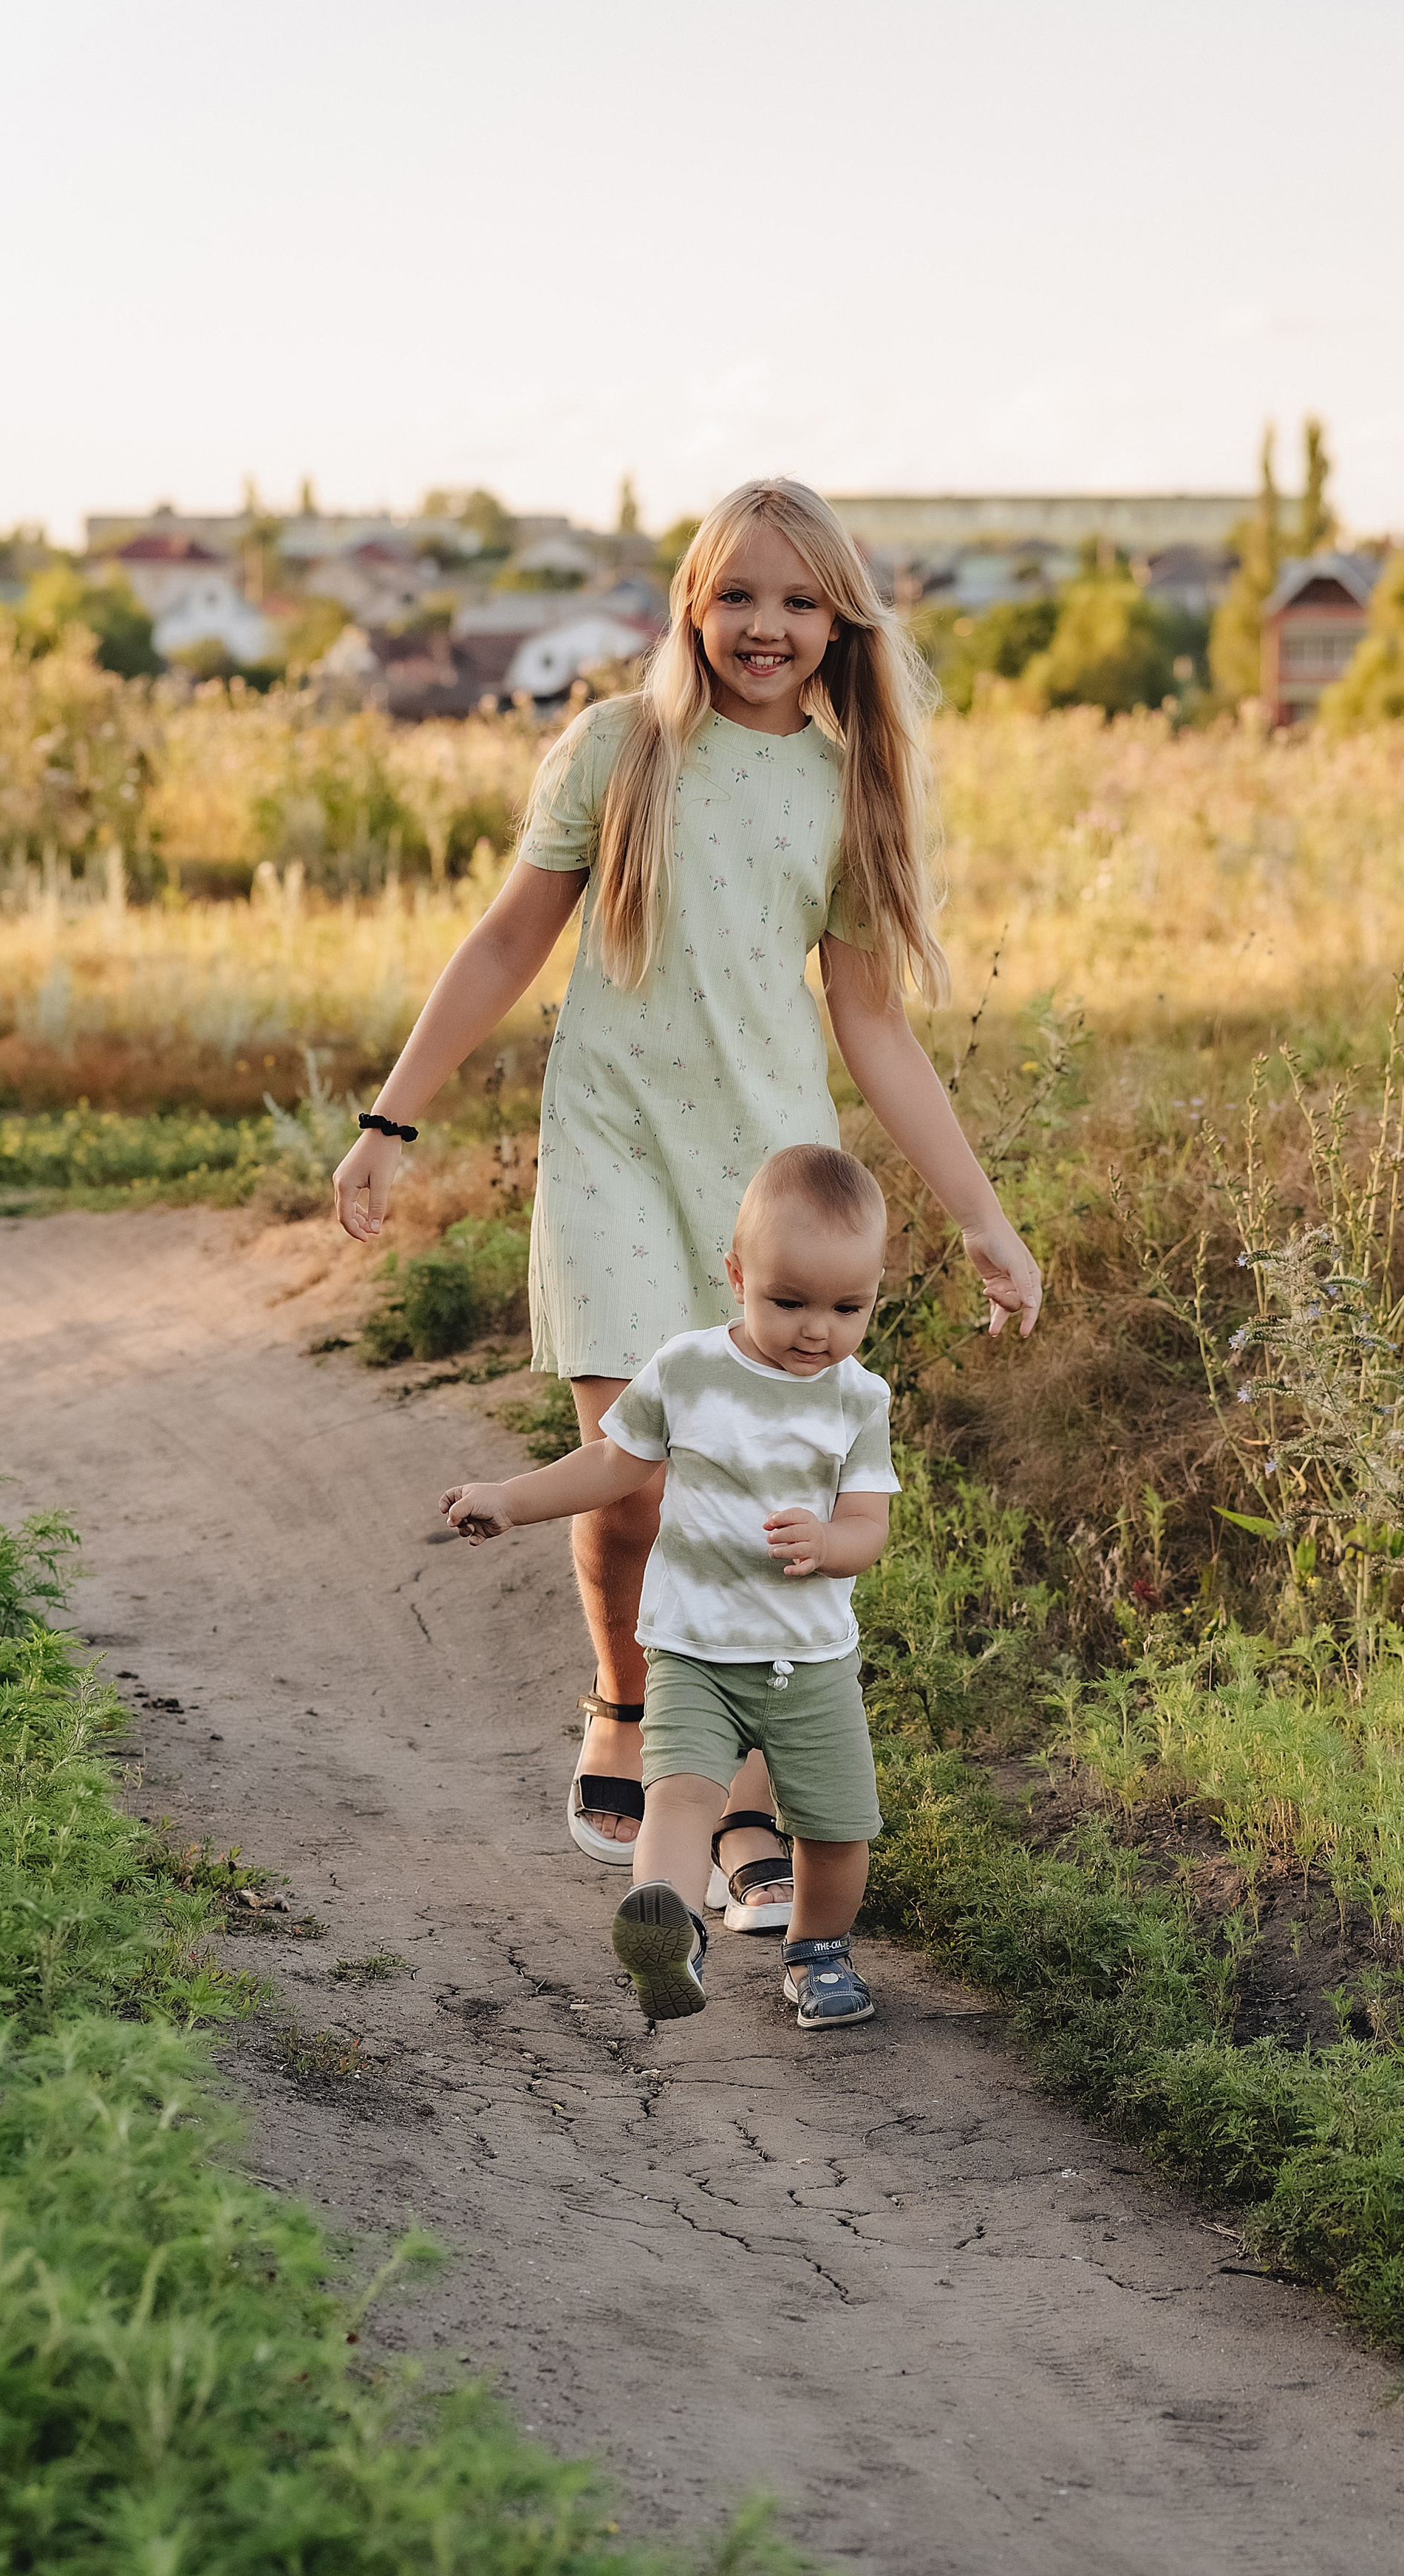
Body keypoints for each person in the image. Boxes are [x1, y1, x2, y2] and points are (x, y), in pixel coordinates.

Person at [332, 476, 1040, 1921]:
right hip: (609, 1149)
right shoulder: (615, 749)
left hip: (764, 1176)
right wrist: (389, 1118)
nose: (762, 626)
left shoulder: (849, 789)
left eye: (794, 599)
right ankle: (623, 1700)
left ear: (836, 617)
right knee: (637, 1466)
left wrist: (978, 1213)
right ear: (690, 606)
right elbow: (501, 944)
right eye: (736, 595)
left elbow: (874, 1025)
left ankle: (734, 1791)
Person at [440, 1144, 896, 2028]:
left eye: (849, 1307)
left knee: (839, 1832)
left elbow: (870, 1526)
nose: (817, 1330)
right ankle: (669, 1921)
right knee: (681, 1792)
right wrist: (510, 1499)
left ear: (875, 1289)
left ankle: (817, 1952)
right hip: (692, 1647)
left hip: (808, 1660)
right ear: (736, 1275)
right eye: (788, 1301)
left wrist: (830, 1542)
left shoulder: (857, 1398)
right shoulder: (687, 1369)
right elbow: (613, 1463)